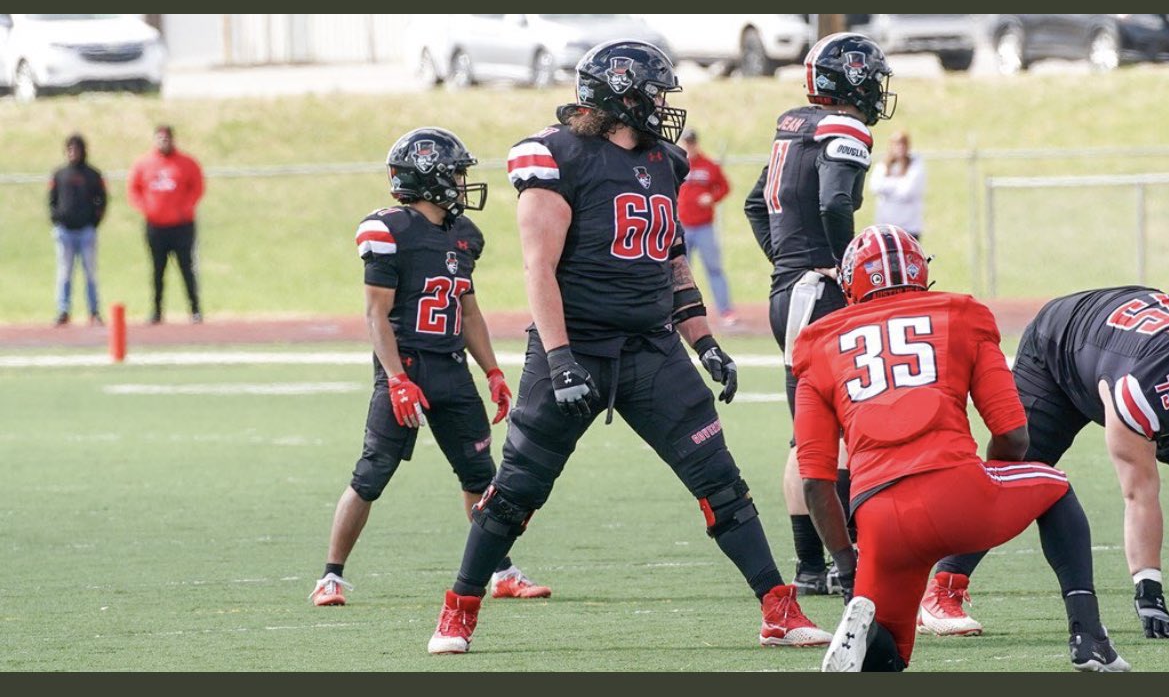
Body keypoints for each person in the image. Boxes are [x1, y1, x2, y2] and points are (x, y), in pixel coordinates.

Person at [426, 39, 833, 655]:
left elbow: (670, 256)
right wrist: (559, 360)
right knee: (516, 490)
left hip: (651, 349)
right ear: (621, 95)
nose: (664, 106)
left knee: (720, 480)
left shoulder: (664, 160)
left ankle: (778, 608)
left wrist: (703, 340)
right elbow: (539, 269)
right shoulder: (555, 156)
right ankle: (457, 610)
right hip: (575, 347)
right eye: (655, 92)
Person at [794, 225, 1129, 672]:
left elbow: (815, 482)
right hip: (958, 490)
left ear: (851, 282)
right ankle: (1090, 637)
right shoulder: (961, 314)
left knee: (891, 655)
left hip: (878, 518)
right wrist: (989, 486)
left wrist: (846, 563)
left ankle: (873, 640)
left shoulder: (816, 343)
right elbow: (1014, 434)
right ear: (919, 271)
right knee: (1053, 486)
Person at [309, 127, 551, 607]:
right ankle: (330, 577)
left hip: (452, 369)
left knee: (481, 477)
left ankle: (500, 571)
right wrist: (396, 379)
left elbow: (469, 310)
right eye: (456, 174)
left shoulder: (463, 236)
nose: (463, 184)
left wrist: (493, 371)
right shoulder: (388, 231)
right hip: (407, 368)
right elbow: (375, 314)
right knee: (371, 474)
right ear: (431, 176)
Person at [926, 286, 1169, 641]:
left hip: (1118, 339)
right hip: (1060, 346)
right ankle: (943, 587)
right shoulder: (1140, 393)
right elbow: (1139, 494)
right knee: (1016, 471)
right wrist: (1149, 589)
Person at [743, 32, 896, 596]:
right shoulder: (844, 128)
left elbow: (756, 203)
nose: (878, 90)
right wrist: (841, 265)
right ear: (852, 80)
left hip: (792, 290)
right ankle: (844, 561)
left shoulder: (793, 128)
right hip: (821, 293)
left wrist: (788, 262)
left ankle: (813, 568)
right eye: (873, 78)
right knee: (847, 431)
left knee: (805, 434)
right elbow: (834, 202)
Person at [127, 124, 205, 324]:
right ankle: (156, 311)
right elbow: (134, 189)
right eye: (160, 138)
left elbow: (197, 187)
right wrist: (147, 208)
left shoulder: (186, 163)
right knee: (157, 270)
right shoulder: (144, 164)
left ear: (172, 139)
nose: (163, 142)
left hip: (181, 226)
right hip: (156, 226)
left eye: (167, 138)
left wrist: (185, 208)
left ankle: (195, 309)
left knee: (186, 268)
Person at [678, 128, 736, 326]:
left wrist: (712, 197)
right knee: (679, 272)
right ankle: (678, 313)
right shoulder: (677, 163)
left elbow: (725, 187)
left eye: (692, 142)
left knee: (714, 268)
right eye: (686, 142)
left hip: (704, 227)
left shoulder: (708, 165)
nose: (689, 146)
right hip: (682, 227)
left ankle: (725, 311)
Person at [49, 133, 107, 326]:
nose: (73, 152)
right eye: (70, 149)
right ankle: (63, 310)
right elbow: (52, 199)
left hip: (86, 231)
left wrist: (94, 221)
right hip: (65, 231)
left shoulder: (92, 174)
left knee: (90, 272)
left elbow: (102, 199)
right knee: (64, 272)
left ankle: (94, 310)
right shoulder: (59, 174)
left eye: (77, 148)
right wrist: (56, 218)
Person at [868, 130, 926, 240]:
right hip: (885, 228)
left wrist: (887, 186)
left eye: (903, 144)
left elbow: (907, 191)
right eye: (896, 144)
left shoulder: (915, 165)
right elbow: (875, 186)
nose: (899, 147)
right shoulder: (884, 165)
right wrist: (898, 183)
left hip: (909, 228)